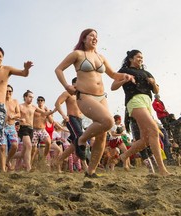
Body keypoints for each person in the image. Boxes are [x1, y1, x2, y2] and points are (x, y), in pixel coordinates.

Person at [55, 28, 135, 177]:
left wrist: (125, 75)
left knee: (102, 135)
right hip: (85, 96)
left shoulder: (101, 57)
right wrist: (66, 85)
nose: (94, 38)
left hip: (101, 97)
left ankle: (90, 171)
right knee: (108, 121)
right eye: (91, 35)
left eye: (96, 36)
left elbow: (112, 74)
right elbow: (58, 69)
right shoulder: (77, 54)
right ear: (83, 39)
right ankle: (82, 139)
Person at [111, 49, 170, 176]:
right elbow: (113, 86)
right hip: (135, 100)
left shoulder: (146, 72)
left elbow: (156, 90)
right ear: (131, 59)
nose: (141, 59)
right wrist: (124, 80)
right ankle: (162, 169)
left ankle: (124, 156)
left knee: (146, 140)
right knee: (154, 130)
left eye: (142, 57)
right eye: (138, 57)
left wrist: (154, 83)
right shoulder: (124, 71)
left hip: (147, 101)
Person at [0, 84, 20, 172]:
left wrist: (13, 115)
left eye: (10, 91)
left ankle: (7, 160)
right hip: (2, 127)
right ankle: (3, 169)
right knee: (2, 148)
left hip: (11, 127)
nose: (8, 92)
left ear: (12, 92)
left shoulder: (15, 101)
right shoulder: (0, 101)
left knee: (15, 146)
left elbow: (19, 114)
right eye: (6, 91)